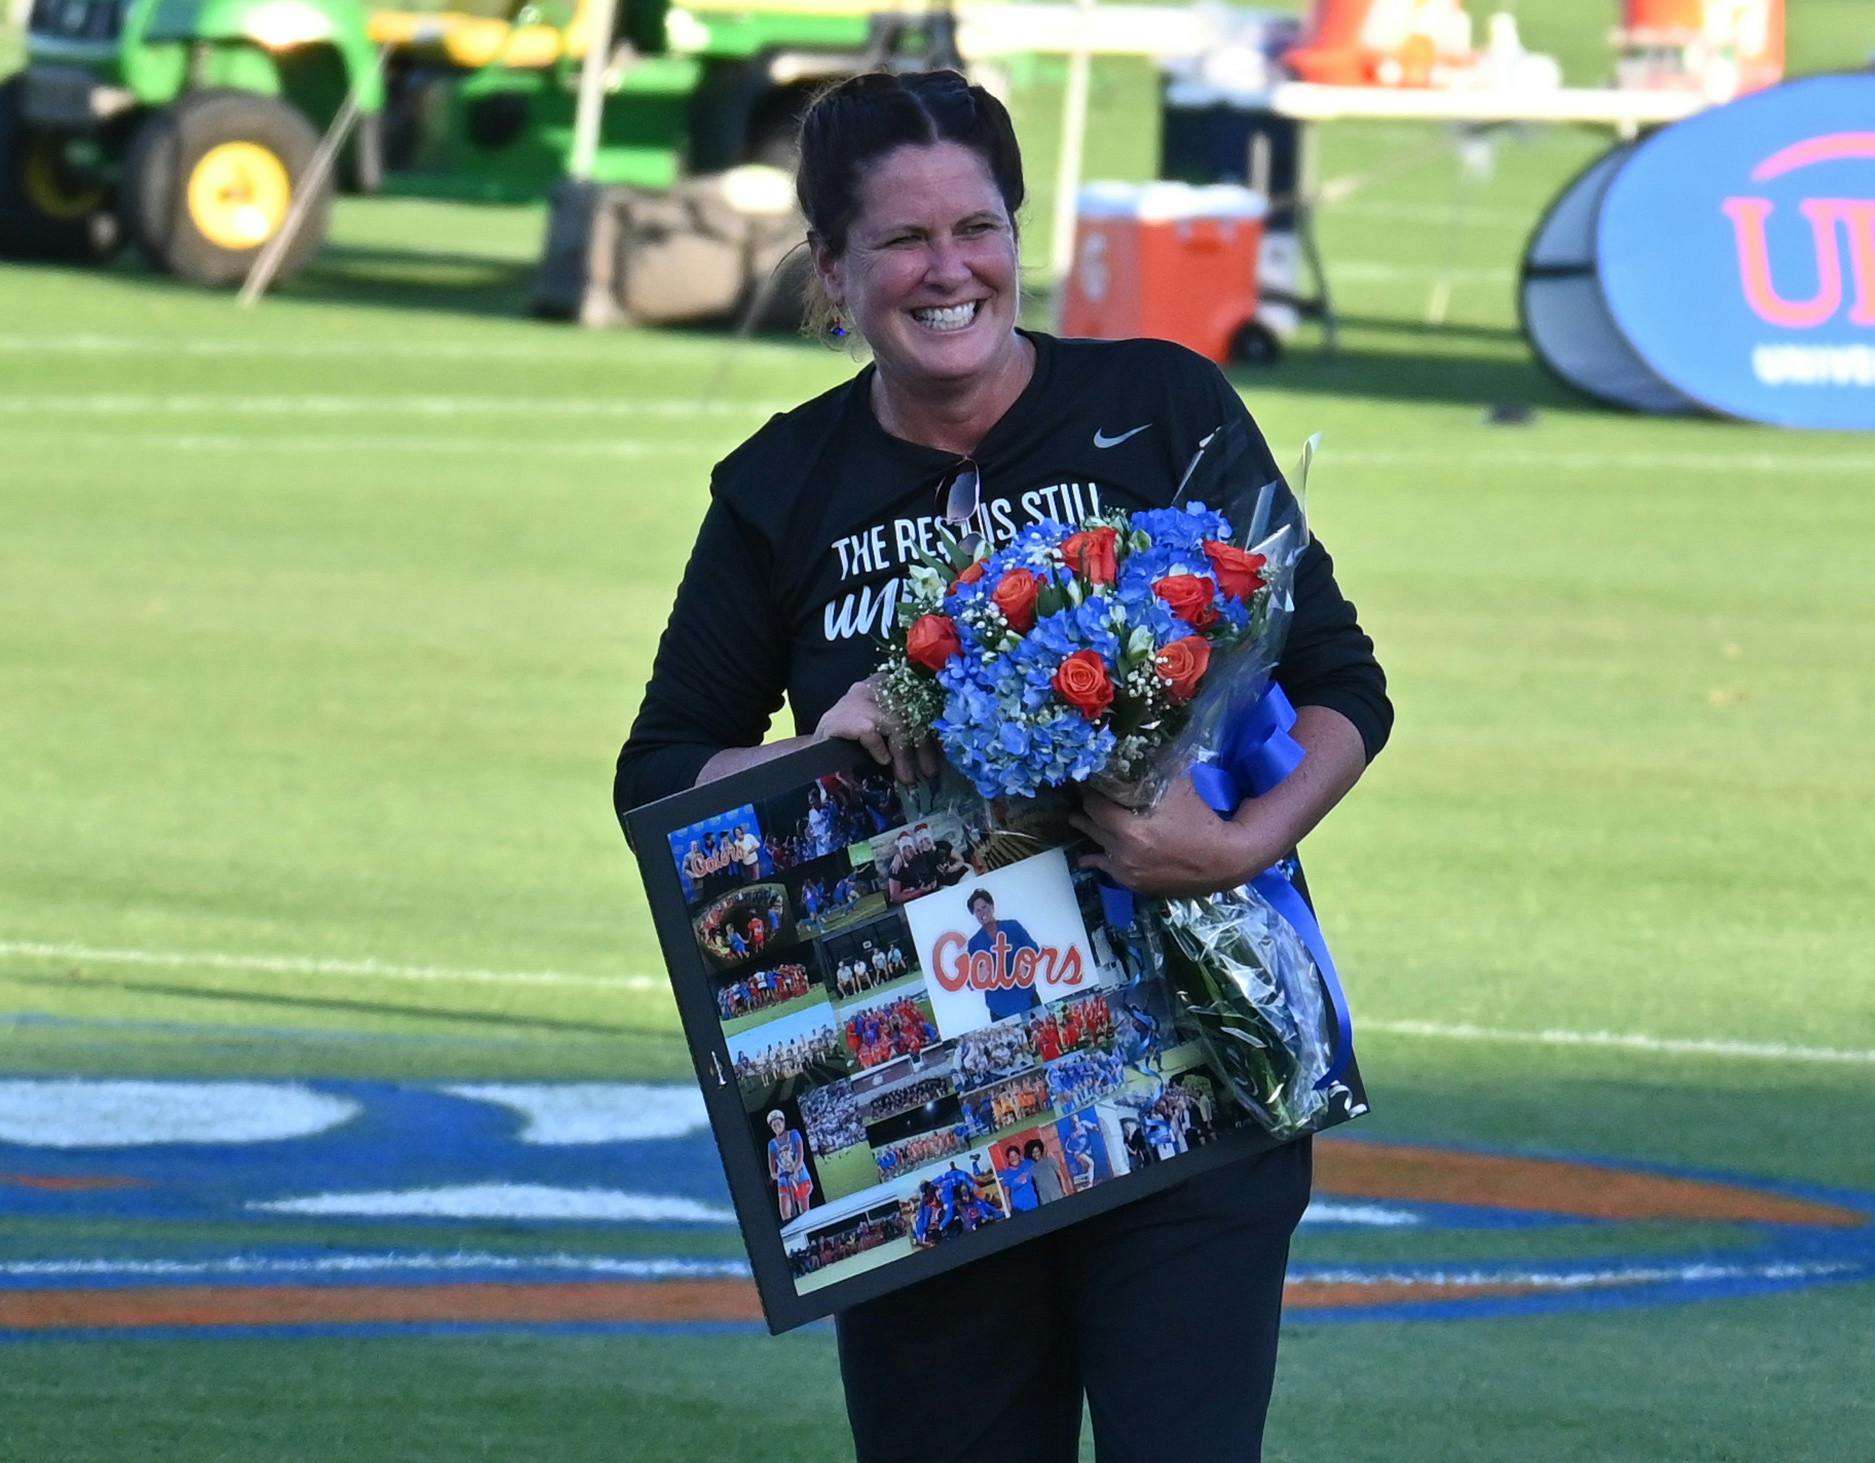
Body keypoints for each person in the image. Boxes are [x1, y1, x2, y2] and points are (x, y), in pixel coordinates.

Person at [614, 68, 1389, 1463]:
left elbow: (1339, 684)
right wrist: (810, 748)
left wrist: (1235, 845)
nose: (947, 268)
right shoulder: (777, 489)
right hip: (929, 1118)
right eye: (902, 241)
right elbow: (657, 773)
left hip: (1194, 1074)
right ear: (831, 267)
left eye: (977, 227)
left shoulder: (1159, 407)